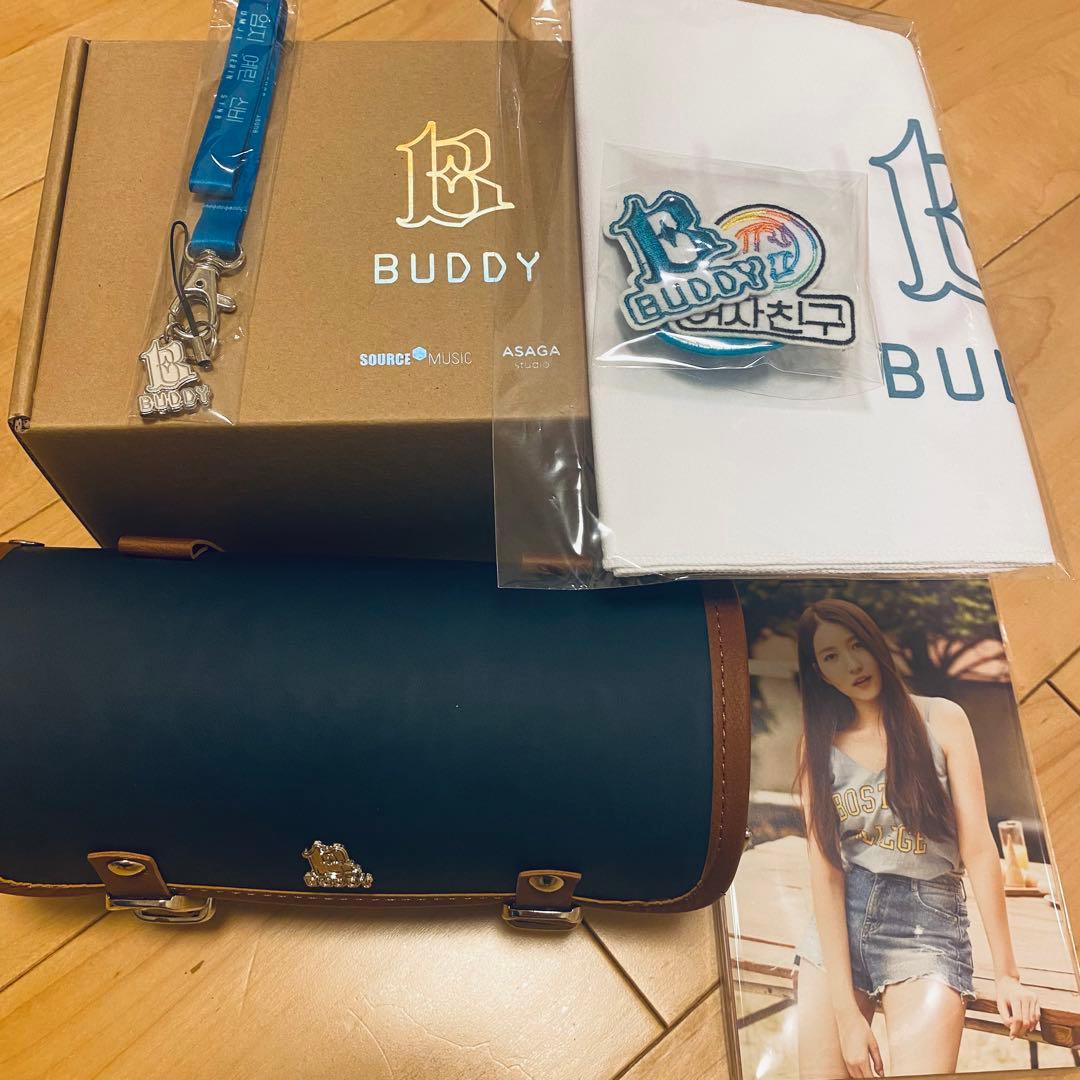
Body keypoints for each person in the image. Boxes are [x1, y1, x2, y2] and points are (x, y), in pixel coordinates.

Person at [792, 599, 1038, 1078]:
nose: (852, 664)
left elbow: (978, 849)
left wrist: (1007, 974)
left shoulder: (941, 719)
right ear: (819, 672)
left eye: (857, 645)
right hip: (842, 926)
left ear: (875, 644)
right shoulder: (817, 748)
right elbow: (826, 874)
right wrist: (846, 1015)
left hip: (927, 927)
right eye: (831, 656)